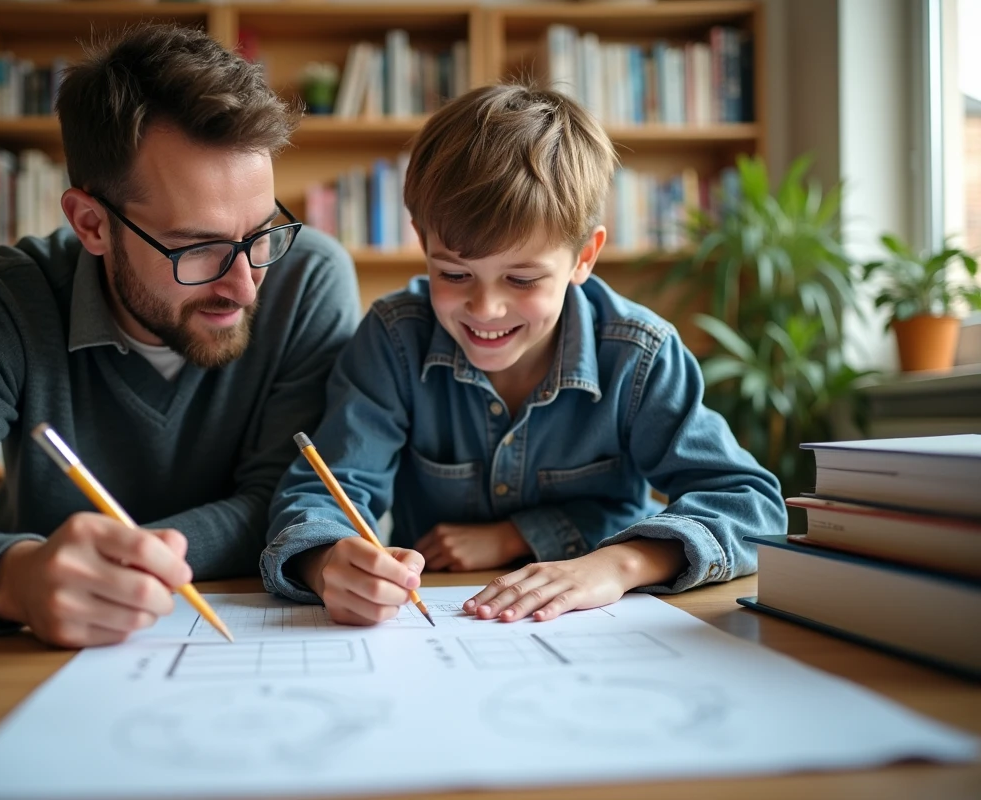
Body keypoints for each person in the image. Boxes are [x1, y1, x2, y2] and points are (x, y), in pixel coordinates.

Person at [0, 24, 360, 647]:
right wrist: (15, 577)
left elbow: (284, 500)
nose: (246, 287)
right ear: (92, 224)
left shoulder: (306, 279)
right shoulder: (6, 299)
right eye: (198, 247)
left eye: (260, 233)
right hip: (40, 648)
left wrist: (128, 560)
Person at [261, 82, 785, 626]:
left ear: (584, 257)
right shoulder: (395, 340)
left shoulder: (638, 354)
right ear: (422, 241)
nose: (485, 308)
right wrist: (327, 562)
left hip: (600, 629)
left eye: (522, 278)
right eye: (454, 274)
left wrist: (619, 564)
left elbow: (751, 505)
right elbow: (325, 491)